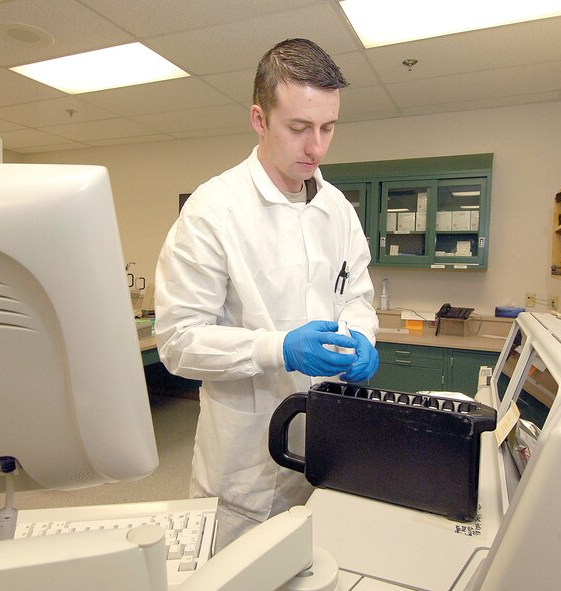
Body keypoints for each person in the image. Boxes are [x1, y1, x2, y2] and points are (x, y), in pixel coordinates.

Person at [153, 38, 379, 549]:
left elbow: (356, 296)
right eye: (299, 128)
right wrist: (277, 348)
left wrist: (363, 335)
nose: (316, 148)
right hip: (243, 468)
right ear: (259, 119)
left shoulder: (339, 209)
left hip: (325, 449)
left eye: (327, 128)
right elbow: (177, 341)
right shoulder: (213, 212)